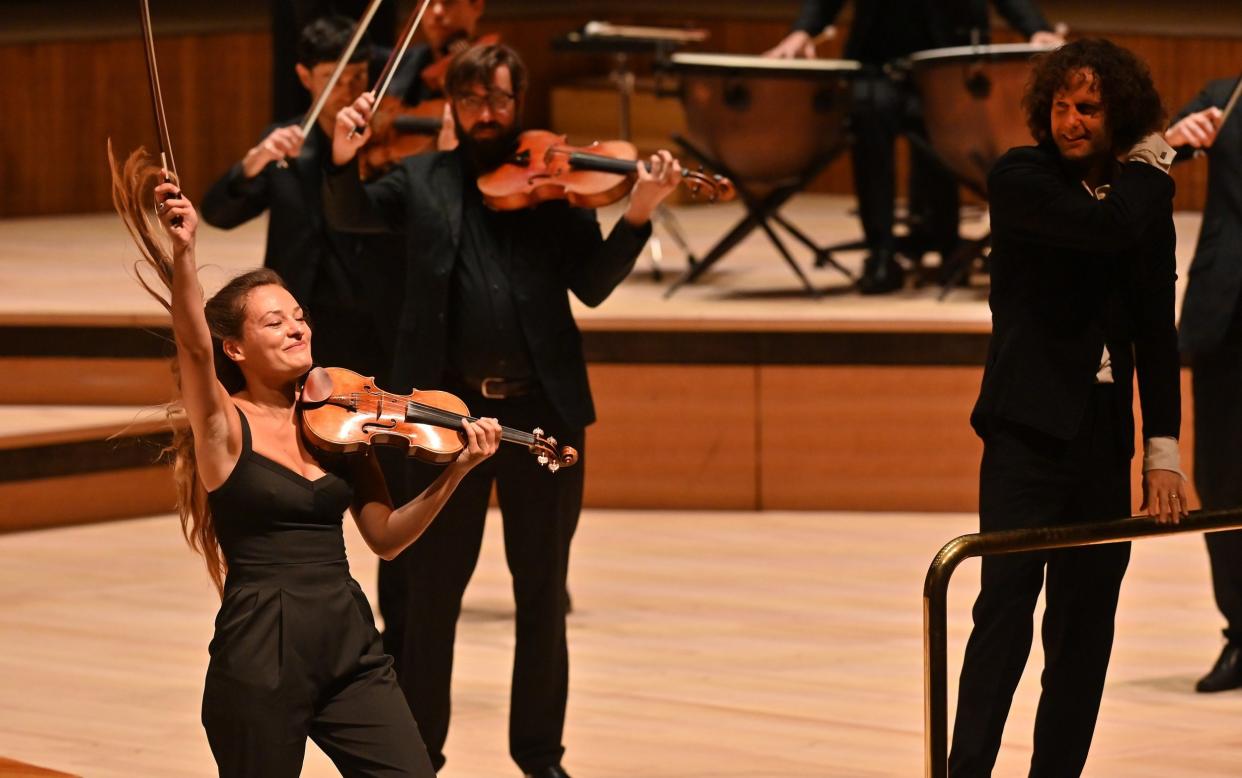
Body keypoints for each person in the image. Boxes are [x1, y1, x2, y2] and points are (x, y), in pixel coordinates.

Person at [322, 44, 681, 778]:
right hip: (441, 426)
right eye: (477, 99)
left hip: (541, 421)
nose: (490, 113)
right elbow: (350, 215)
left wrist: (638, 216)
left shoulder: (552, 188)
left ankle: (540, 758)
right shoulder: (419, 180)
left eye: (502, 100)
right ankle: (420, 757)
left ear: (519, 103)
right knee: (430, 602)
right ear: (453, 103)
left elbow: (592, 285)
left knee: (543, 593)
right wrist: (339, 159)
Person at [109, 148, 502, 776]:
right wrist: (184, 251)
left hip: (349, 642)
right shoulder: (223, 428)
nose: (298, 328)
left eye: (299, 316)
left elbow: (387, 540)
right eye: (275, 322)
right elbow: (190, 338)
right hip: (262, 652)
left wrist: (455, 472)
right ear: (234, 347)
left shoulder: (341, 425)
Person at [949, 39, 1187, 776]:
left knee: (1084, 635)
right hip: (1027, 437)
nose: (1071, 121)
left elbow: (1155, 332)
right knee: (1004, 618)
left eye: (1089, 108)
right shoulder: (1021, 177)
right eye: (1062, 105)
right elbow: (1104, 230)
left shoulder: (1142, 199)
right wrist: (1156, 159)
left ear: (1120, 117)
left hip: (1100, 443)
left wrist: (1163, 453)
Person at [767, 0, 1063, 294]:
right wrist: (802, 31)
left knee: (944, 127)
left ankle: (946, 244)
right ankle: (880, 252)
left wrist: (1035, 29)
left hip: (946, 65)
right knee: (869, 116)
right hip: (877, 67)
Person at [202, 16, 406, 383]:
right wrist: (253, 162)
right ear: (304, 76)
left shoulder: (389, 147)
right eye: (333, 79)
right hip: (298, 316)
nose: (347, 90)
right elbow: (219, 214)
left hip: (374, 314)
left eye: (358, 77)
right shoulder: (284, 144)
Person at [1164, 77, 1242, 693]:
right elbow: (1151, 155)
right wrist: (1173, 140)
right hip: (1229, 318)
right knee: (1222, 483)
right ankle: (1241, 634)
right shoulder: (1226, 92)